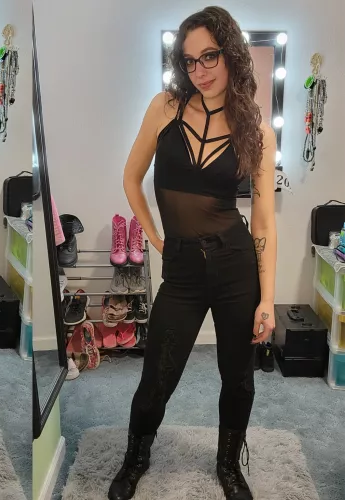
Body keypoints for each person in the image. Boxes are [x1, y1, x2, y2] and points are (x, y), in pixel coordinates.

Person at [108, 7, 276, 500]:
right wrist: (155, 237)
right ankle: (136, 457)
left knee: (238, 377)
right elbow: (131, 178)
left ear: (231, 54)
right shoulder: (165, 108)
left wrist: (268, 300)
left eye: (210, 56)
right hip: (182, 269)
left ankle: (229, 465)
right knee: (157, 375)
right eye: (189, 61)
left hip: (236, 264)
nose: (199, 70)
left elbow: (264, 223)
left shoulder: (256, 131)